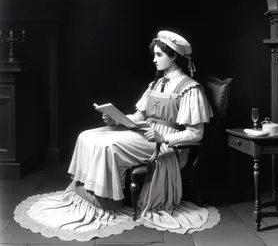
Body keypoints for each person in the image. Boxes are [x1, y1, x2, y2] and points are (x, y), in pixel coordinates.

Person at [14, 30, 220, 241]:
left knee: (108, 145)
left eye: (159, 55)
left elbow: (196, 133)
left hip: (167, 145)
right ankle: (87, 197)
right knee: (86, 136)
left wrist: (164, 138)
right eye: (155, 54)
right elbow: (141, 115)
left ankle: (105, 204)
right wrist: (117, 119)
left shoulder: (190, 89)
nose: (154, 59)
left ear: (174, 55)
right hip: (147, 133)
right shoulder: (157, 84)